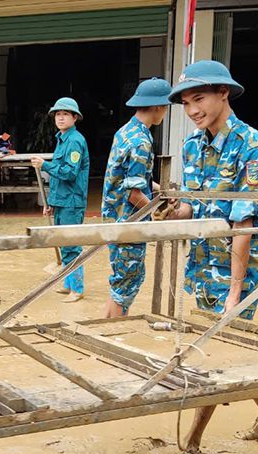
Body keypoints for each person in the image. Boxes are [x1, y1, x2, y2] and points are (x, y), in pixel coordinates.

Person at [159, 60, 258, 454]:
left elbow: (244, 223)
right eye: (186, 103)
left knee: (209, 355)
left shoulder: (255, 148)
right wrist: (172, 211)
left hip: (241, 265)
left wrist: (236, 290)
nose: (193, 109)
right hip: (202, 261)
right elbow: (196, 203)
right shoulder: (194, 147)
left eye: (200, 99)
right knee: (224, 347)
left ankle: (192, 445)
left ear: (223, 94)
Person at [102, 78, 171, 317]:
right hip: (129, 222)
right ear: (157, 107)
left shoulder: (125, 131)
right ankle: (114, 334)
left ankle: (107, 330)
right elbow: (133, 193)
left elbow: (130, 178)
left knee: (119, 283)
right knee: (127, 282)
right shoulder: (142, 141)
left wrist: (160, 189)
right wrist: (154, 212)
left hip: (114, 219)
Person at [31, 98, 90, 303]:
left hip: (72, 202)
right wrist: (51, 204)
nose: (61, 117)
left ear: (75, 117)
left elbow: (69, 173)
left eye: (65, 114)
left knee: (71, 245)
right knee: (63, 244)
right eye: (58, 114)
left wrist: (45, 165)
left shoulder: (75, 141)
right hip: (62, 201)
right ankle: (68, 283)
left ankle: (78, 288)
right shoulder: (62, 139)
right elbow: (58, 179)